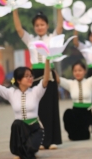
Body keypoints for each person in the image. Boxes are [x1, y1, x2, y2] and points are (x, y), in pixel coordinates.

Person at [12, 10, 63, 150]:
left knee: (51, 106)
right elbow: (18, 28)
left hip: (49, 73)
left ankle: (52, 140)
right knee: (36, 108)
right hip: (34, 75)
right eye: (37, 25)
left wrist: (59, 8)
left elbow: (59, 26)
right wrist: (14, 9)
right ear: (34, 27)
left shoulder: (52, 38)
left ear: (47, 25)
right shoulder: (30, 40)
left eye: (42, 24)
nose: (40, 27)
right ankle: (39, 139)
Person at [0, 58, 51, 159]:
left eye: (31, 76)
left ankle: (30, 149)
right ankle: (24, 151)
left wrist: (47, 61)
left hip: (34, 128)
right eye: (26, 76)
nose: (30, 78)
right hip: (20, 130)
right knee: (17, 123)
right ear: (18, 80)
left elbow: (46, 80)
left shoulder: (35, 92)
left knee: (29, 151)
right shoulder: (11, 93)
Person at [57, 57, 92, 141]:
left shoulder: (89, 82)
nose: (77, 72)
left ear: (84, 71)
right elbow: (58, 80)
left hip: (87, 112)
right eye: (75, 71)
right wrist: (50, 62)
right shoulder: (70, 83)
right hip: (76, 111)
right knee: (68, 113)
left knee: (83, 136)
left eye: (80, 70)